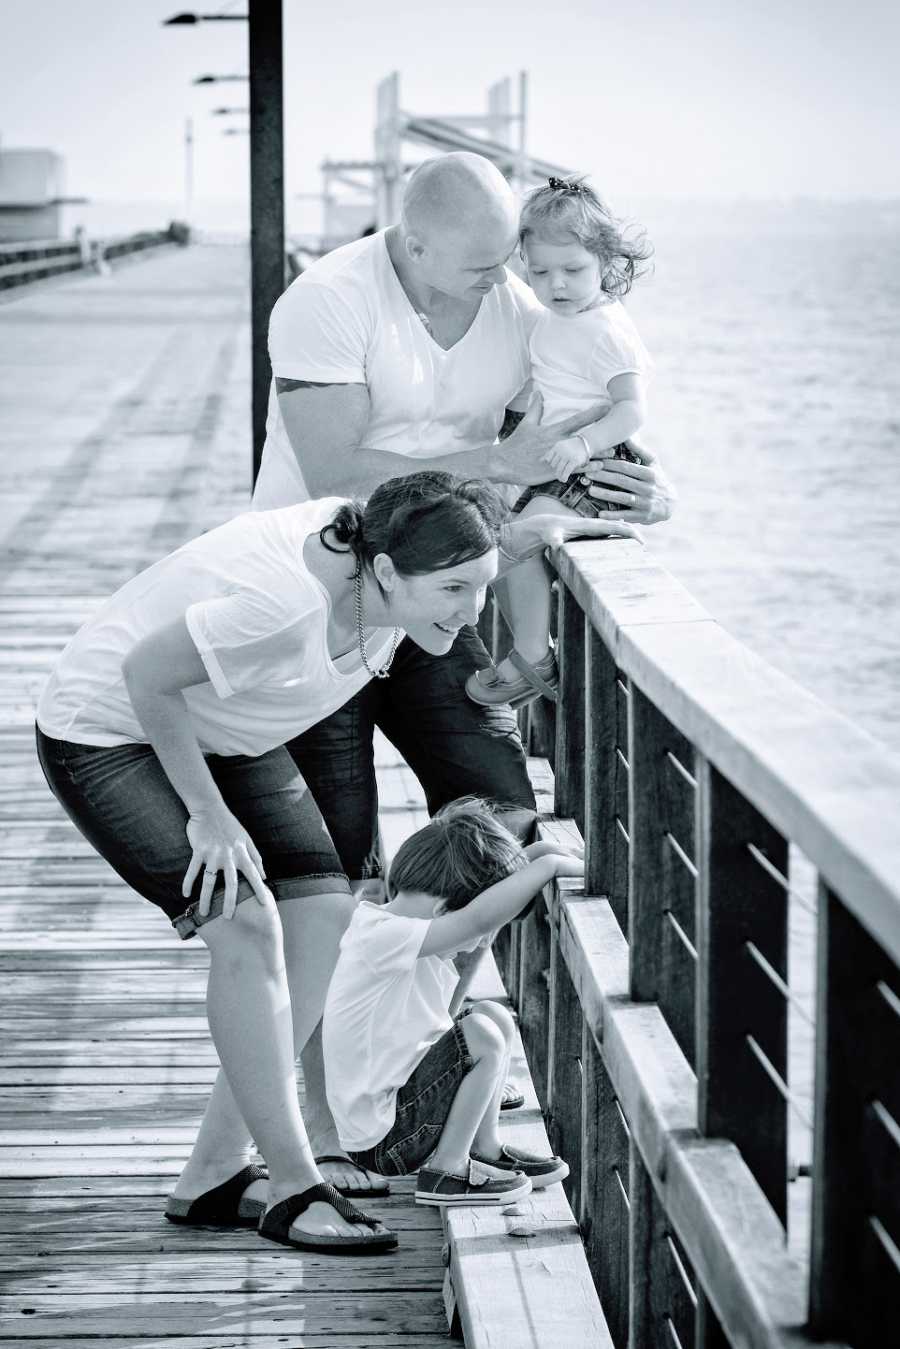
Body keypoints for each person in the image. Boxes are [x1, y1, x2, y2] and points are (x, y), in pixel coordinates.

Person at [35, 470, 634, 1252]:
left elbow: (493, 534)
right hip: (111, 732)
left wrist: (550, 524)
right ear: (384, 573)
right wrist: (209, 816)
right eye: (454, 589)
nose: (471, 611)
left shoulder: (391, 557)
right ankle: (291, 1185)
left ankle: (213, 1176)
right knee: (247, 925)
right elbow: (146, 676)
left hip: (225, 728)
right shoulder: (287, 607)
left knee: (323, 915)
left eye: (480, 587)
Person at [250, 152, 675, 1154]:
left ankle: (415, 1052)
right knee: (335, 859)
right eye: (485, 268)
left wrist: (643, 490)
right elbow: (338, 468)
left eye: (511, 265)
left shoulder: (519, 302)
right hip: (330, 598)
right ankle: (331, 1105)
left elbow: (578, 422)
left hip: (440, 598)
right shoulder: (326, 300)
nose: (508, 286)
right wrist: (496, 464)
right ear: (414, 241)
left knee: (500, 812)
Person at [323, 798, 581, 1205]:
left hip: (400, 1113)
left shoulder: (392, 925)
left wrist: (536, 853)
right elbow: (477, 918)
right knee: (478, 1036)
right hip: (386, 1138)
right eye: (480, 932)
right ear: (445, 910)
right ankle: (447, 1172)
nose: (479, 942)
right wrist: (547, 868)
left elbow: (477, 910)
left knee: (493, 1015)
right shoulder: (383, 936)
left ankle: (484, 1149)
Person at [467, 177, 654, 707]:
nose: (558, 284)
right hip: (555, 463)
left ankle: (532, 656)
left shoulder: (606, 330)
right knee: (504, 539)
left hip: (590, 468)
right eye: (541, 271)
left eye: (574, 270)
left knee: (519, 540)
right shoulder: (551, 319)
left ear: (605, 262)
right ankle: (529, 652)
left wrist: (585, 443)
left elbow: (632, 409)